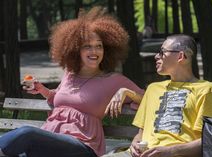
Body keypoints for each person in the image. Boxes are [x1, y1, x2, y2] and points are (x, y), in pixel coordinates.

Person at [0, 7, 144, 157]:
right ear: (76, 50)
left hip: (82, 145)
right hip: (50, 139)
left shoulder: (114, 81)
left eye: (99, 46)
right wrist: (43, 90)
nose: (94, 51)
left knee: (26, 133)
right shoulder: (69, 74)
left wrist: (125, 92)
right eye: (87, 46)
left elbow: (149, 99)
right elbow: (59, 98)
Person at [103, 34, 212, 157]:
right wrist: (135, 143)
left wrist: (170, 151)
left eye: (162, 52)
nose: (157, 56)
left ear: (181, 56)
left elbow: (211, 141)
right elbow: (141, 133)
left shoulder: (208, 91)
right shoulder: (153, 89)